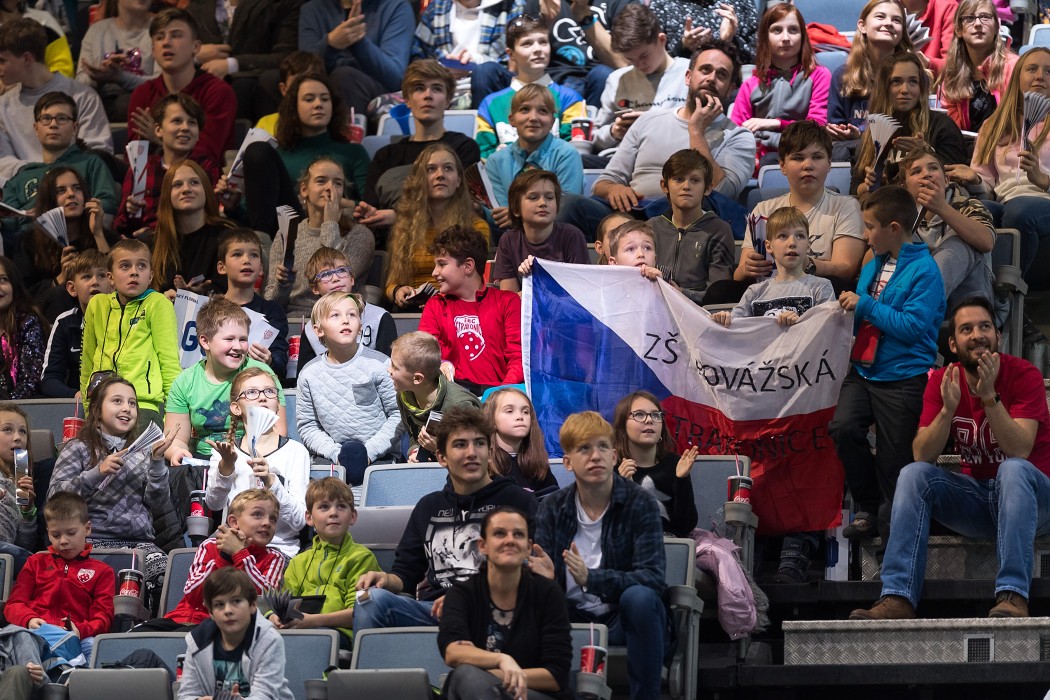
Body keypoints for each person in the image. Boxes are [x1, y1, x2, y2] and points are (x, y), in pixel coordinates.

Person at [850, 297, 1050, 620]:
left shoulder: (1023, 375)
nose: (978, 335)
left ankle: (1013, 594)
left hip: (1035, 501)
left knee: (1013, 469)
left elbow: (1020, 450)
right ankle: (898, 597)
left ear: (998, 336)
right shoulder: (943, 381)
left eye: (985, 326)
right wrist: (946, 410)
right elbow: (922, 454)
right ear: (953, 344)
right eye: (967, 329)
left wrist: (988, 396)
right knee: (913, 475)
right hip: (980, 499)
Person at [353, 405, 537, 633]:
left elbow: (533, 570)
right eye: (460, 444)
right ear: (441, 457)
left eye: (479, 443)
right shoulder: (429, 507)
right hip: (434, 610)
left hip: (494, 608)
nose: (472, 453)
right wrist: (383, 579)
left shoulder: (517, 501)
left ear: (490, 452)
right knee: (370, 601)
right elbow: (406, 574)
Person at [831, 186, 945, 542]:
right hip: (863, 370)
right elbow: (860, 310)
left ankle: (892, 541)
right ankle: (866, 506)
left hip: (903, 377)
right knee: (843, 428)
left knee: (895, 465)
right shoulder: (873, 262)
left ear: (894, 228)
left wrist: (863, 306)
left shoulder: (926, 271)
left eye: (869, 226)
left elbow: (912, 328)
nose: (865, 234)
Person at [532, 411, 668, 700]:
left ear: (615, 456)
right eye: (584, 448)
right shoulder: (551, 508)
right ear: (567, 462)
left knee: (640, 597)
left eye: (603, 447)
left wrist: (591, 578)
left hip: (622, 619)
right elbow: (542, 580)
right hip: (569, 620)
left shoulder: (640, 503)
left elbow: (653, 580)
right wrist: (544, 580)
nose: (596, 456)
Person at [569, 39, 756, 236]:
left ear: (731, 88)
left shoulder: (738, 137)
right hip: (632, 212)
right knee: (572, 205)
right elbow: (604, 181)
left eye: (721, 75)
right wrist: (613, 190)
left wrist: (696, 130)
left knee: (694, 203)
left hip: (686, 221)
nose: (711, 78)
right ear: (688, 76)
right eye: (705, 70)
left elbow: (720, 193)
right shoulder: (649, 120)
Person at [48, 375, 176, 611]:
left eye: (132, 403)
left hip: (140, 545)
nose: (127, 408)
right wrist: (97, 472)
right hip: (91, 544)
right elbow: (55, 498)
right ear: (97, 410)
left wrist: (157, 462)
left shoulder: (143, 453)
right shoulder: (78, 448)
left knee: (168, 576)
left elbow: (158, 503)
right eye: (117, 401)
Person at [715, 120, 864, 303]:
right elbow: (739, 276)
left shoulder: (845, 206)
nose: (807, 165)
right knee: (720, 291)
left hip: (817, 290)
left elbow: (845, 270)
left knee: (836, 285)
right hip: (769, 290)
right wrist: (748, 268)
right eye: (798, 158)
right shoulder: (763, 209)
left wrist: (806, 263)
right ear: (783, 166)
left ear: (829, 164)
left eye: (817, 157)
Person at [438, 506, 573, 700]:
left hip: (534, 695)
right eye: (500, 533)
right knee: (465, 677)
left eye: (518, 534)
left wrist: (495, 675)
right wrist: (502, 660)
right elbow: (453, 652)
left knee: (466, 677)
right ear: (482, 546)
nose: (509, 540)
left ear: (528, 548)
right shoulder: (462, 594)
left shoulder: (548, 593)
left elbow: (556, 675)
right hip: (477, 690)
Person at [946, 47, 1050, 284]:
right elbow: (988, 187)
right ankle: (972, 296)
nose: (1040, 76)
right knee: (971, 212)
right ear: (1018, 78)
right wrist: (974, 179)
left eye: (1048, 70)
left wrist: (1042, 179)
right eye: (1032, 69)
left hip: (1043, 201)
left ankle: (1007, 296)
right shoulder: (995, 125)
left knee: (1019, 210)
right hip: (1004, 202)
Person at [354, 59, 482, 235]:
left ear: (448, 100)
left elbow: (461, 205)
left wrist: (399, 216)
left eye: (436, 89)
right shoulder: (385, 156)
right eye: (419, 88)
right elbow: (372, 206)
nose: (427, 95)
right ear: (407, 100)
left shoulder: (463, 147)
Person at [237, 73, 370, 238]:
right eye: (309, 99)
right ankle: (263, 246)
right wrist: (232, 205)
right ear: (294, 107)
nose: (318, 104)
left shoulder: (353, 152)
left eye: (325, 99)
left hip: (334, 227)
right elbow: (252, 211)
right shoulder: (278, 155)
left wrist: (323, 199)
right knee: (258, 151)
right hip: (283, 229)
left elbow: (369, 208)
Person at [164, 297, 287, 462]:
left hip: (254, 457)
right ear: (205, 341)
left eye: (243, 339)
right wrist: (177, 453)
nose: (238, 346)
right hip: (205, 460)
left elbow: (278, 432)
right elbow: (176, 439)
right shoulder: (185, 382)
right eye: (229, 339)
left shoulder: (261, 373)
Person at [296, 292, 401, 483]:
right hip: (331, 459)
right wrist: (336, 454)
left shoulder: (380, 364)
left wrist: (368, 453)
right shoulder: (309, 373)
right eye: (335, 315)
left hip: (379, 457)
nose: (345, 320)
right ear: (318, 330)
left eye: (352, 315)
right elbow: (308, 426)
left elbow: (398, 415)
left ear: (360, 326)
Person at [205, 368, 308, 559]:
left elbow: (299, 520)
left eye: (269, 391)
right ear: (236, 408)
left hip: (279, 551)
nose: (262, 398)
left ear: (277, 403)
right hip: (233, 545)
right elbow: (214, 503)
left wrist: (272, 482)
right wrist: (225, 469)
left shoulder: (296, 452)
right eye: (252, 392)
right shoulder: (225, 452)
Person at [80, 239, 180, 425]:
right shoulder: (97, 305)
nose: (134, 272)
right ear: (110, 277)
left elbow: (169, 362)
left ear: (150, 276)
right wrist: (88, 410)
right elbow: (87, 361)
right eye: (125, 266)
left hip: (143, 406)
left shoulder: (158, 304)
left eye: (141, 266)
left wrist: (171, 417)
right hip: (100, 405)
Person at [5, 491, 114, 660]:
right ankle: (45, 672)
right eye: (55, 535)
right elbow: (14, 604)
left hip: (77, 636)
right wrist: (29, 619)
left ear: (87, 529)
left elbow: (103, 617)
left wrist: (80, 630)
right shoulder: (35, 562)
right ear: (48, 533)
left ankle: (69, 673)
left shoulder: (102, 571)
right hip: (36, 632)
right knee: (19, 637)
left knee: (95, 648)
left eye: (71, 533)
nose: (63, 541)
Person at [0, 18, 111, 184]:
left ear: (26, 58)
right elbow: (2, 161)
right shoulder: (3, 106)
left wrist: (56, 175)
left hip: (74, 188)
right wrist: (38, 174)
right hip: (23, 189)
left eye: (2, 61)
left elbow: (98, 152)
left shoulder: (82, 96)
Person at [273, 477, 380, 649]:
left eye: (341, 506)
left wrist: (311, 621)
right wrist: (275, 617)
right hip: (297, 630)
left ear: (352, 516)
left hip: (339, 635)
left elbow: (360, 613)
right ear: (309, 517)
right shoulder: (297, 562)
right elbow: (281, 604)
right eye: (324, 507)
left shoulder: (361, 558)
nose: (333, 513)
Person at [419, 225, 524, 395]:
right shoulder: (435, 305)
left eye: (442, 264)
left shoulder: (507, 302)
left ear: (468, 266)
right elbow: (426, 354)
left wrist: (501, 395)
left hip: (500, 393)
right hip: (454, 396)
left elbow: (518, 357)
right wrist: (442, 363)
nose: (434, 272)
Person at [263, 156, 374, 316]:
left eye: (338, 183)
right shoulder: (287, 233)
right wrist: (283, 285)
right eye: (321, 181)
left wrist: (330, 223)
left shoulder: (360, 235)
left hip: (339, 317)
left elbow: (333, 283)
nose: (330, 188)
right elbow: (271, 304)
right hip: (293, 320)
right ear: (304, 189)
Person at [0, 92, 118, 242]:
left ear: (75, 128)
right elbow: (7, 219)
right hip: (25, 244)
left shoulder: (90, 163)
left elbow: (106, 205)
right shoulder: (23, 175)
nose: (53, 124)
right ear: (36, 128)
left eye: (61, 118)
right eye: (46, 119)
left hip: (76, 239)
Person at [159, 488, 286, 629]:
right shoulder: (209, 546)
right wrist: (224, 556)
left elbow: (264, 600)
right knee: (139, 634)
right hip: (179, 621)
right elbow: (193, 595)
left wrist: (240, 554)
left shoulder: (274, 557)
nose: (267, 523)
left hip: (226, 629)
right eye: (257, 514)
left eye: (273, 518)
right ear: (233, 521)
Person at [384, 144, 489, 310]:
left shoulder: (475, 227)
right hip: (414, 311)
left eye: (448, 168)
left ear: (459, 181)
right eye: (431, 169)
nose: (440, 175)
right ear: (420, 180)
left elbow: (478, 283)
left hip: (459, 310)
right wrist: (398, 290)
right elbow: (391, 283)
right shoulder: (405, 228)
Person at [472, 0, 632, 109]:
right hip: (541, 79)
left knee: (603, 75)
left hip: (590, 83)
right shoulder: (542, 2)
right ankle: (484, 145)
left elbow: (623, 64)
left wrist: (585, 17)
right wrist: (544, 20)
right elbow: (518, 59)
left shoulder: (619, 3)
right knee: (485, 71)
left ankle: (584, 145)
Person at [126, 9, 235, 165]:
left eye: (176, 35)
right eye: (159, 37)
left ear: (196, 47)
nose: (166, 42)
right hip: (152, 183)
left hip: (201, 183)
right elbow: (135, 158)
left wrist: (159, 138)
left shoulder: (218, 92)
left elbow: (205, 154)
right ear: (153, 51)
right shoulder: (142, 93)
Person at [851, 52, 967, 196]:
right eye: (896, 81)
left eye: (913, 82)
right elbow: (854, 188)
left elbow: (955, 180)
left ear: (921, 87)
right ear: (884, 87)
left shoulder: (942, 126)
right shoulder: (873, 132)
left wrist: (926, 153)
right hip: (880, 208)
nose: (905, 90)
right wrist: (869, 185)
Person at [730, 2, 831, 165]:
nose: (786, 38)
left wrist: (775, 124)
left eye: (793, 30)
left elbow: (816, 127)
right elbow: (735, 132)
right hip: (757, 160)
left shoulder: (819, 75)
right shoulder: (751, 84)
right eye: (777, 30)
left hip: (803, 157)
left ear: (802, 36)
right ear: (765, 36)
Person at [475, 14, 586, 159]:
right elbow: (483, 156)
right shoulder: (490, 104)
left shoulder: (570, 99)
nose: (538, 49)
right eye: (527, 43)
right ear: (511, 54)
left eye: (543, 42)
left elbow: (573, 152)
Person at [899, 144, 996, 310]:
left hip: (969, 304)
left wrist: (941, 207)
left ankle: (919, 308)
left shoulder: (968, 205)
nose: (927, 174)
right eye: (916, 172)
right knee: (896, 235)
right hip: (914, 302)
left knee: (958, 239)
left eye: (933, 168)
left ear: (946, 180)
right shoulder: (900, 217)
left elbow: (986, 242)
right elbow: (872, 260)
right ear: (905, 188)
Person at [177, 567, 294, 700]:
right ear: (211, 613)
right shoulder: (198, 641)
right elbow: (186, 694)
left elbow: (264, 695)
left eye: (236, 601)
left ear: (252, 605)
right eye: (219, 605)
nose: (228, 610)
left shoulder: (268, 639)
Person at [114, 93, 220, 239]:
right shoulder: (142, 167)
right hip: (146, 247)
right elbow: (120, 226)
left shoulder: (206, 167)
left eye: (192, 123)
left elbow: (213, 215)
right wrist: (130, 211)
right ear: (158, 130)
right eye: (177, 121)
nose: (185, 128)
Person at [592, 4, 690, 153]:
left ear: (662, 40)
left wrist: (655, 124)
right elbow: (596, 136)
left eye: (644, 55)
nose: (639, 64)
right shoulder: (617, 80)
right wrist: (614, 131)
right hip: (622, 158)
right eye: (630, 59)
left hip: (673, 157)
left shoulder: (689, 73)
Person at [486, 84, 584, 230]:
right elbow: (500, 212)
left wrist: (518, 216)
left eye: (542, 111)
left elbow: (565, 208)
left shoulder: (566, 154)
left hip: (557, 236)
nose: (533, 118)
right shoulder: (495, 161)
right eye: (525, 110)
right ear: (511, 120)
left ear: (552, 122)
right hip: (508, 236)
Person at [185, 0, 300, 121]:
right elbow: (174, 49)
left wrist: (232, 64)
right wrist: (194, 55)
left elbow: (285, 55)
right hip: (204, 80)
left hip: (254, 83)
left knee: (244, 87)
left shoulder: (282, 4)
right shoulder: (198, 6)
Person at [826, 0, 912, 158]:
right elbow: (836, 123)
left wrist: (861, 134)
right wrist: (838, 131)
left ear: (902, 31)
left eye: (896, 20)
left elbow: (910, 127)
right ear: (862, 26)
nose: (888, 23)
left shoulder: (912, 75)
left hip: (897, 153)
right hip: (849, 151)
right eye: (880, 17)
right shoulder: (842, 75)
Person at [297, 0, 415, 115]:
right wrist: (330, 44)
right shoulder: (312, 10)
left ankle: (351, 133)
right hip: (322, 86)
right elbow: (302, 71)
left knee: (345, 78)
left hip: (374, 87)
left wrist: (359, 42)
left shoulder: (396, 6)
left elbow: (395, 76)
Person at [648, 149, 734, 304]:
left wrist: (682, 294)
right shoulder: (651, 227)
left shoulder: (719, 230)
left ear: (708, 188)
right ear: (665, 185)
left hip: (699, 314)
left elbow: (718, 293)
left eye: (695, 180)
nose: (686, 186)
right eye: (678, 179)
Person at [11, 167, 113, 293]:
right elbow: (25, 294)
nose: (71, 194)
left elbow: (116, 280)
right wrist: (60, 279)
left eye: (77, 188)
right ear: (49, 200)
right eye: (61, 191)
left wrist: (98, 233)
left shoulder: (104, 235)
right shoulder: (28, 243)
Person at [295, 247, 395, 373]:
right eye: (326, 274)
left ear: (352, 279)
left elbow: (390, 369)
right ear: (315, 288)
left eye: (342, 270)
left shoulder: (379, 317)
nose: (336, 278)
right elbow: (304, 373)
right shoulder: (311, 329)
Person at [388, 331, 481, 464]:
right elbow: (413, 435)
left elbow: (478, 455)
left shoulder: (460, 406)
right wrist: (415, 451)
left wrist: (442, 449)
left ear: (417, 379)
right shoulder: (405, 395)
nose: (388, 370)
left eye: (395, 367)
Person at [493, 169, 588, 294]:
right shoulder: (508, 240)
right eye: (533, 197)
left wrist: (532, 294)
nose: (543, 203)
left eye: (549, 197)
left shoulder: (572, 236)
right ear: (516, 209)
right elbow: (509, 298)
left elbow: (580, 292)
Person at [151, 159, 233, 295]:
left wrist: (200, 293)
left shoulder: (227, 237)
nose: (186, 189)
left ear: (206, 190)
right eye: (177, 184)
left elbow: (231, 289)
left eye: (194, 182)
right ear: (167, 195)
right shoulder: (152, 242)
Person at [218, 229, 290, 378]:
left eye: (254, 255)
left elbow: (281, 365)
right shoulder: (210, 309)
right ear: (221, 267)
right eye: (237, 254)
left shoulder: (272, 311)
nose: (247, 260)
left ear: (262, 268)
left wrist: (269, 361)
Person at [937, 0, 1016, 133]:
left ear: (997, 27)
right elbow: (953, 130)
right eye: (970, 18)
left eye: (985, 17)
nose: (978, 24)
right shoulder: (953, 75)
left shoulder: (1015, 68)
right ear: (958, 30)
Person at [40, 251, 111, 398]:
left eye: (102, 275)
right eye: (86, 276)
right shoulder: (64, 323)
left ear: (113, 284)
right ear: (72, 289)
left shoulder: (127, 318)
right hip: (78, 404)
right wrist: (76, 395)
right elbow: (49, 379)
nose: (95, 282)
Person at [76, 0, 158, 122]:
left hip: (145, 105)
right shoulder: (97, 30)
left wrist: (120, 77)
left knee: (125, 103)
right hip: (101, 102)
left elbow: (162, 83)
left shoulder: (160, 31)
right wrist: (98, 76)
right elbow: (80, 84)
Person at [484, 387, 556, 494]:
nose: (520, 417)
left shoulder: (538, 465)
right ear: (491, 419)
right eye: (509, 411)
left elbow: (555, 504)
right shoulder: (482, 464)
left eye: (525, 412)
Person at [413, 0, 522, 67]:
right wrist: (443, 67)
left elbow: (517, 62)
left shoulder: (511, 6)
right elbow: (418, 56)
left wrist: (475, 62)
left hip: (489, 83)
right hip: (443, 85)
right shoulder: (437, 7)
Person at [650, 0, 759, 63]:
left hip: (732, 90)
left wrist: (730, 41)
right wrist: (683, 48)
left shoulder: (740, 2)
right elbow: (650, 62)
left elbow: (758, 57)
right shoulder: (662, 5)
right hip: (677, 90)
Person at [0, 404, 40, 575]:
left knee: (38, 567)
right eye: (7, 430)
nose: (17, 437)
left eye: (23, 432)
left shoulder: (21, 481)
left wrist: (27, 511)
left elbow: (24, 546)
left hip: (6, 554)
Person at [0, 257, 46, 399]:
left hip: (17, 408)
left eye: (3, 280)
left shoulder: (28, 322)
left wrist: (7, 407)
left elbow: (30, 382)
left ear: (15, 285)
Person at [252, 51, 325, 137]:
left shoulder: (334, 125)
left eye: (312, 81)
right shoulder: (265, 124)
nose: (305, 89)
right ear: (284, 89)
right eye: (297, 83)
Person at [906, 0, 959, 75]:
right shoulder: (886, 7)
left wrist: (928, 63)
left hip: (932, 83)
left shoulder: (948, 7)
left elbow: (954, 66)